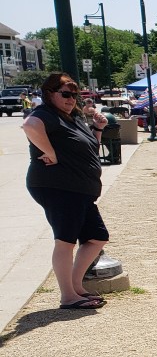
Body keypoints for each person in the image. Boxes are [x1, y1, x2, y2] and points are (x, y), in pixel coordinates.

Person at [21, 73, 110, 310]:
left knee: (97, 237)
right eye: (66, 94)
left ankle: (76, 288)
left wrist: (98, 129)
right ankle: (68, 296)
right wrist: (49, 152)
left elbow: (88, 147)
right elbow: (29, 125)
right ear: (50, 94)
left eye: (75, 95)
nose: (72, 99)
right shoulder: (46, 115)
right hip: (58, 187)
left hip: (79, 190)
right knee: (65, 241)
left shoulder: (72, 118)